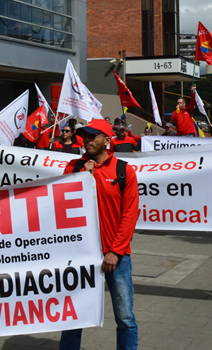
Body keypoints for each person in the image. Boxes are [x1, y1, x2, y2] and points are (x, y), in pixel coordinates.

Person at [59, 119, 139, 349]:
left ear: (107, 140)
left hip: (117, 256)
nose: (87, 140)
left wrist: (114, 251)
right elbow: (62, 206)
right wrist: (82, 179)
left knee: (125, 317)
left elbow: (130, 215)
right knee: (74, 317)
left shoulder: (124, 171)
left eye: (94, 136)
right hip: (81, 256)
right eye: (85, 136)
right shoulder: (73, 168)